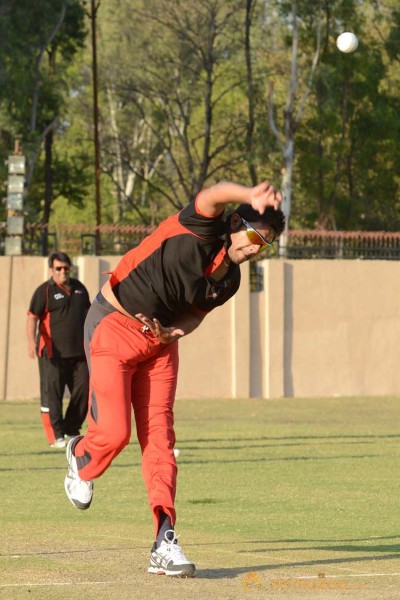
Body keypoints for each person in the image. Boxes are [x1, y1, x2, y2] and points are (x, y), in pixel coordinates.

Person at [63, 181, 285, 577]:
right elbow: (213, 193)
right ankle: (82, 455)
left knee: (161, 440)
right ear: (236, 221)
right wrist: (250, 193)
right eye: (252, 235)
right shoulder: (202, 227)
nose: (254, 248)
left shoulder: (230, 281)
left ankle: (164, 540)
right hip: (114, 324)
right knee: (114, 435)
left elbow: (195, 314)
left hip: (159, 346)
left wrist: (174, 334)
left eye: (263, 245)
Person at [27, 252, 91, 449]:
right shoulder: (44, 291)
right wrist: (31, 342)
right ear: (51, 270)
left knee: (85, 389)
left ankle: (72, 428)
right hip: (52, 354)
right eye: (58, 269)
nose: (63, 272)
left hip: (79, 354)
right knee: (53, 394)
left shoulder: (80, 289)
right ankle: (56, 436)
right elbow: (32, 317)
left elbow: (89, 316)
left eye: (66, 268)